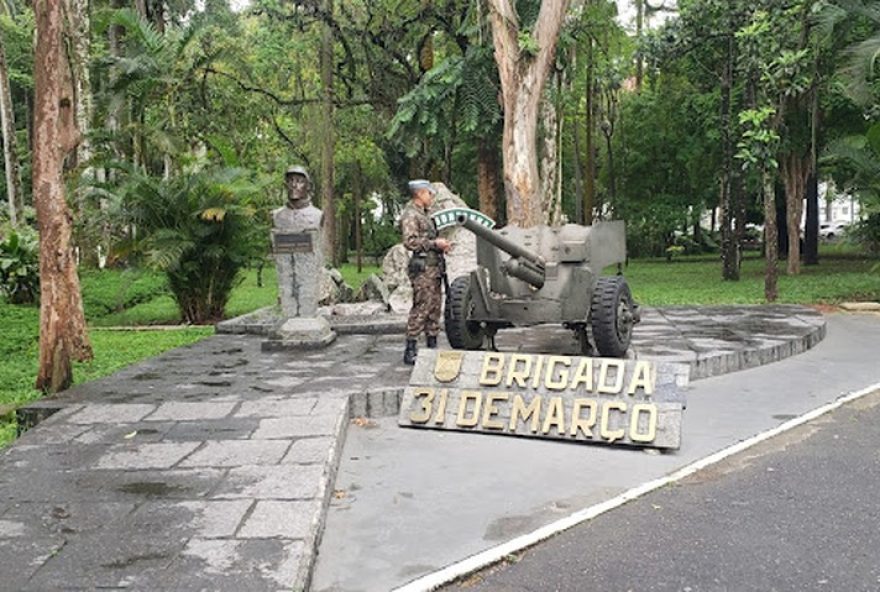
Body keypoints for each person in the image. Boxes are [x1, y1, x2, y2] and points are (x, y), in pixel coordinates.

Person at [400, 179, 451, 365]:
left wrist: (440, 246)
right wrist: (434, 244)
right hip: (423, 269)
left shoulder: (425, 215)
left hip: (434, 268)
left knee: (434, 308)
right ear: (421, 193)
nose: (431, 197)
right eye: (429, 193)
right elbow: (410, 241)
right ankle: (411, 349)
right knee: (421, 307)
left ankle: (432, 345)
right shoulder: (411, 215)